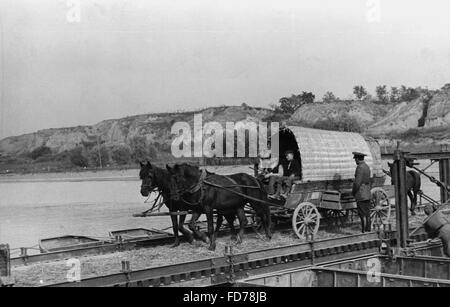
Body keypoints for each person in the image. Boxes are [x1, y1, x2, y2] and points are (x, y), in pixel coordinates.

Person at [351, 151, 372, 233]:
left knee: (362, 213)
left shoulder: (360, 167)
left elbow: (357, 183)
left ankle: (364, 230)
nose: (355, 161)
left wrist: (353, 192)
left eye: (355, 159)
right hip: (367, 192)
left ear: (357, 159)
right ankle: (368, 229)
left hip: (361, 193)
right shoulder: (366, 166)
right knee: (367, 212)